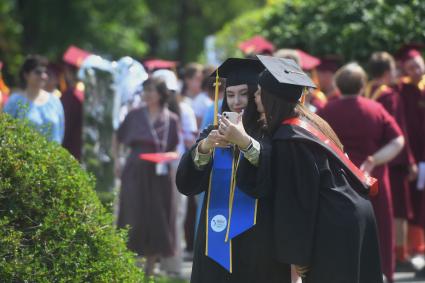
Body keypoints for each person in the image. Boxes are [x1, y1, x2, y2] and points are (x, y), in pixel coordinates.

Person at [256, 55, 383, 283]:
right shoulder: (311, 123)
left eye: (259, 92)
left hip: (335, 224)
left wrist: (297, 255)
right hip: (354, 212)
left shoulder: (288, 139)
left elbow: (298, 200)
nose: (255, 98)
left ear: (270, 98)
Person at [176, 58, 292, 283]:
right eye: (230, 95)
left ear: (257, 95)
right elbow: (187, 182)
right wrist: (204, 147)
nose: (236, 101)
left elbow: (274, 171)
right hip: (213, 239)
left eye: (243, 94)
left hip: (257, 238)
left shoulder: (271, 132)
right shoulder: (214, 131)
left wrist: (245, 142)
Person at [318, 62, 405, 283]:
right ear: (362, 84)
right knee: (381, 233)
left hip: (337, 183)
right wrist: (375, 160)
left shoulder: (327, 110)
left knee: (342, 237)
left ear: (338, 84)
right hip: (374, 183)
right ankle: (383, 275)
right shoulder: (375, 109)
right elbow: (398, 140)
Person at [115, 77, 180, 276]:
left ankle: (150, 270)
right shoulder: (134, 115)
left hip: (159, 174)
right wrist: (117, 160)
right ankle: (129, 267)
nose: (147, 94)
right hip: (135, 170)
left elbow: (176, 148)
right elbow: (117, 138)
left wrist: (170, 156)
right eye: (145, 90)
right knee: (133, 214)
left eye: (151, 90)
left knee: (157, 217)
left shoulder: (171, 118)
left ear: (161, 93)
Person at [367, 52, 417, 265]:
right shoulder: (390, 96)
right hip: (392, 160)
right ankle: (399, 253)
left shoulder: (368, 90)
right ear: (388, 72)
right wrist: (410, 161)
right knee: (398, 210)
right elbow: (398, 131)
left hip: (371, 155)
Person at [395, 43, 425, 277]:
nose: (416, 70)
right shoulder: (401, 92)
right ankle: (415, 248)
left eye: (419, 65)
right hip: (413, 158)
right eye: (411, 66)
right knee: (414, 204)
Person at [4, 55, 64, 144]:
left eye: (45, 72)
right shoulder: (15, 101)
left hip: (50, 156)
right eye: (38, 72)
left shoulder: (55, 101)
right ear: (26, 75)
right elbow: (5, 130)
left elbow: (60, 133)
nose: (43, 76)